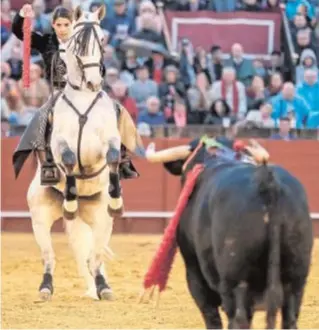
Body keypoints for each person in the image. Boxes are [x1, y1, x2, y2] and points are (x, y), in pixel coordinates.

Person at [12, 4, 140, 182]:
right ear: (53, 25)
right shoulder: (46, 42)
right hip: (59, 92)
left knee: (116, 110)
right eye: (59, 25)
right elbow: (20, 33)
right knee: (42, 117)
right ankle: (48, 162)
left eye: (67, 24)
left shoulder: (83, 39)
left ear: (73, 24)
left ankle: (122, 158)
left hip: (86, 90)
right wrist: (21, 15)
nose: (63, 29)